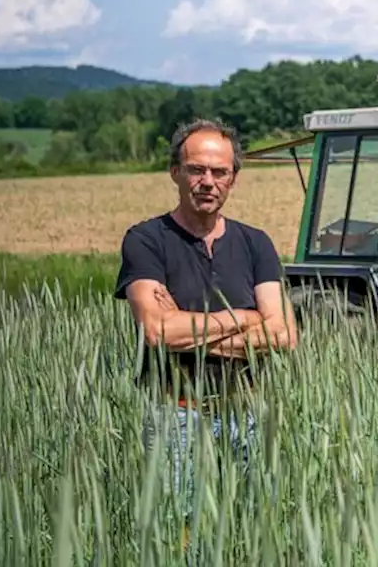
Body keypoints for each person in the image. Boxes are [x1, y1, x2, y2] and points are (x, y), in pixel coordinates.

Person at [113, 118, 297, 530]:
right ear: (176, 173)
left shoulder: (255, 243)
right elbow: (159, 331)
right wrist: (245, 319)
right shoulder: (146, 241)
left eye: (220, 172)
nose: (208, 181)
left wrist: (189, 329)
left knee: (255, 525)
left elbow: (284, 335)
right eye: (197, 169)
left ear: (233, 179)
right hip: (176, 415)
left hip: (248, 411)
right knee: (180, 530)